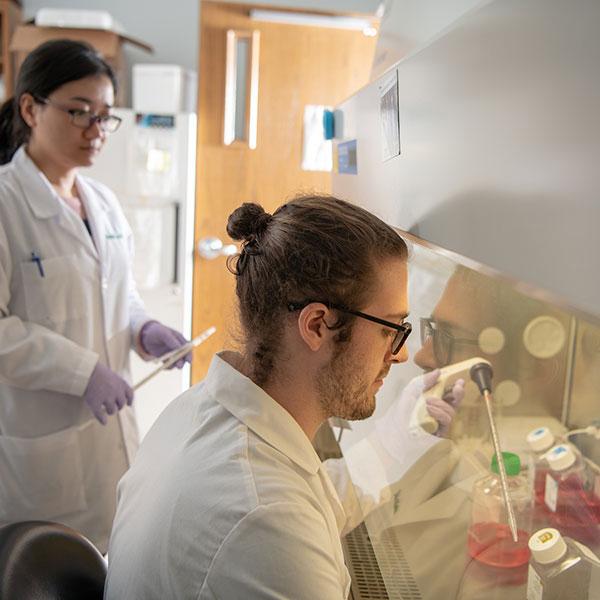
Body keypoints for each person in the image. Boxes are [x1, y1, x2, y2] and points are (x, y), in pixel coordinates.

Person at [105, 195, 463, 599]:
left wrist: (402, 433)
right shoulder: (266, 521)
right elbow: (278, 516)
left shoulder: (193, 412)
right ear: (317, 325)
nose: (400, 355)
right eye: (390, 329)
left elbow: (313, 501)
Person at [0, 39, 190, 552]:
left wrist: (143, 330)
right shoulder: (5, 203)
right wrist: (82, 371)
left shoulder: (102, 202)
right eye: (80, 112)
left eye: (105, 117)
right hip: (42, 456)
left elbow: (118, 296)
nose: (96, 130)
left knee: (111, 560)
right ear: (30, 108)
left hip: (111, 438)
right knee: (45, 569)